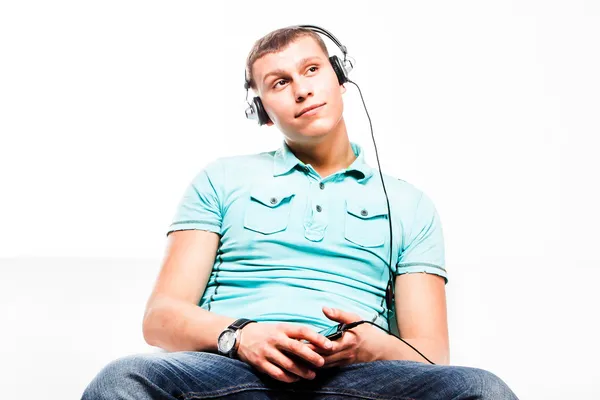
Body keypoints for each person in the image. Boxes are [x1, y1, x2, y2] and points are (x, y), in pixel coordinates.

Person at [81, 25, 519, 399]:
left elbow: (430, 354)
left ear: (340, 78)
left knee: (482, 389)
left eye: (312, 69)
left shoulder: (410, 204)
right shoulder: (221, 179)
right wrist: (242, 335)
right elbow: (159, 318)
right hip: (232, 371)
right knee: (123, 380)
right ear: (263, 113)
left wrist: (372, 346)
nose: (302, 88)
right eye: (279, 82)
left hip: (358, 378)